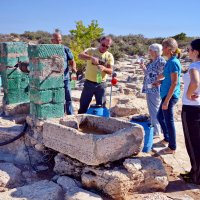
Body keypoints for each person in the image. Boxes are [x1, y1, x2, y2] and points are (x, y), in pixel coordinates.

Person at [154, 38, 182, 154]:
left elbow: (175, 82)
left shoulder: (174, 62)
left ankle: (172, 147)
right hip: (166, 94)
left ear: (169, 49)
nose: (162, 50)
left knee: (169, 120)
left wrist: (166, 101)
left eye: (164, 47)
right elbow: (168, 78)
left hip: (170, 96)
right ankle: (167, 138)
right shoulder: (169, 61)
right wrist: (159, 81)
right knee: (160, 116)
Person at [78, 36, 114, 114]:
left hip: (101, 84)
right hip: (88, 83)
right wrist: (91, 58)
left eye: (107, 47)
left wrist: (104, 69)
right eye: (103, 45)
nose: (104, 47)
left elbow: (111, 71)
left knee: (101, 108)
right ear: (100, 42)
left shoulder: (109, 56)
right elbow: (80, 55)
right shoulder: (91, 50)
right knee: (83, 107)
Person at [181, 39, 200, 184]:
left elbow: (195, 82)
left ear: (196, 51)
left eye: (189, 49)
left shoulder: (194, 65)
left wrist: (188, 94)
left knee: (193, 143)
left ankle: (196, 177)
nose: (187, 52)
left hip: (192, 109)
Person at [140, 43, 166, 138]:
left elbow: (167, 73)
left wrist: (159, 81)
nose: (149, 52)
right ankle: (159, 129)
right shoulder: (155, 60)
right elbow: (149, 74)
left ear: (155, 51)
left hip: (154, 89)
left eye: (150, 50)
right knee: (154, 109)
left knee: (154, 110)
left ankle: (156, 131)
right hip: (150, 88)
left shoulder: (161, 61)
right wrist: (143, 68)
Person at [51, 31, 77, 115]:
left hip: (65, 77)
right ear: (52, 40)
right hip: (53, 79)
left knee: (68, 96)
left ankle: (70, 114)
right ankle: (58, 114)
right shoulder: (48, 50)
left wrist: (73, 67)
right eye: (57, 40)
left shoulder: (65, 49)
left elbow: (72, 60)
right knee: (56, 97)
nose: (59, 42)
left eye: (60, 40)